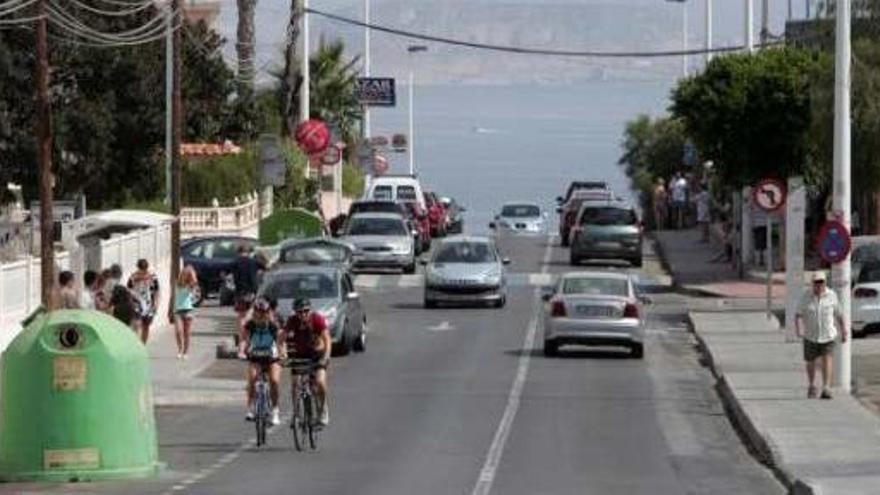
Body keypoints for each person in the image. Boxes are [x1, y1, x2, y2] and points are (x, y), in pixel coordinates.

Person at [795, 272, 848, 399]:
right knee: (811, 362)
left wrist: (844, 331)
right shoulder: (805, 296)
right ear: (812, 284)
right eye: (816, 283)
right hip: (810, 335)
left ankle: (826, 388)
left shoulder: (832, 295)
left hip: (828, 334)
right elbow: (797, 315)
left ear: (825, 283)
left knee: (827, 359)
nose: (819, 285)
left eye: (821, 282)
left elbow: (839, 314)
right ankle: (812, 385)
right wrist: (799, 330)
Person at [283, 298, 332, 427]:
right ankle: (297, 413)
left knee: (320, 382)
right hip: (300, 355)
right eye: (300, 312)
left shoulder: (317, 319)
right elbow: (280, 339)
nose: (303, 314)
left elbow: (327, 339)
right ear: (295, 312)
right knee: (295, 382)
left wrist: (326, 356)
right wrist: (282, 354)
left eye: (306, 311)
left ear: (310, 310)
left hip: (317, 355)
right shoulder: (292, 321)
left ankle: (323, 410)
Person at [237, 298, 282, 426]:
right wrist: (241, 351)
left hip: (271, 357)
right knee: (252, 379)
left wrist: (282, 354)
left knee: (274, 380)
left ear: (268, 313)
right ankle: (251, 408)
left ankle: (275, 411)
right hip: (256, 356)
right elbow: (244, 339)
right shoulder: (250, 325)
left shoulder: (273, 326)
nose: (260, 315)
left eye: (263, 312)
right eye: (257, 312)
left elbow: (280, 342)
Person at [128, 259, 160, 344]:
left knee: (146, 326)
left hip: (149, 305)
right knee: (137, 326)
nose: (143, 272)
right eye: (141, 269)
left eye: (144, 269)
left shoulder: (153, 277)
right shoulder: (133, 277)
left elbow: (157, 291)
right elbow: (128, 290)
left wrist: (157, 304)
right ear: (138, 268)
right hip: (137, 305)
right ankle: (137, 345)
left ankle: (143, 345)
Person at [233, 245, 259, 343]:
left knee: (241, 316)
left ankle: (241, 337)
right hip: (251, 291)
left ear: (238, 252)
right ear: (248, 252)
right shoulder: (253, 262)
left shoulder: (235, 262)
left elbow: (225, 271)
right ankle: (248, 335)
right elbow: (267, 266)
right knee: (250, 313)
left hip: (240, 292)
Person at [173, 265, 199, 359]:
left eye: (187, 275)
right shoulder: (177, 283)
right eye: (185, 274)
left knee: (186, 332)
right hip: (178, 310)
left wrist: (192, 272)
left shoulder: (191, 285)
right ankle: (180, 349)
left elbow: (195, 281)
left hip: (188, 309)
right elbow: (174, 297)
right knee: (178, 331)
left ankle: (185, 352)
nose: (186, 276)